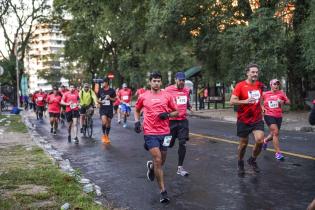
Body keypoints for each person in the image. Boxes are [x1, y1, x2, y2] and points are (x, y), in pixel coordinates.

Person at [134, 71, 178, 203]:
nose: (156, 83)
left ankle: (151, 168)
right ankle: (163, 192)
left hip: (165, 132)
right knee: (158, 159)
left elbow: (177, 112)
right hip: (150, 132)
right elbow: (136, 110)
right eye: (154, 81)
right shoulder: (143, 96)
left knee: (162, 161)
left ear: (161, 82)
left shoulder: (167, 96)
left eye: (159, 81)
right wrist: (137, 122)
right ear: (150, 82)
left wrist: (168, 115)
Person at [230, 63, 265, 176]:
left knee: (260, 140)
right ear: (247, 73)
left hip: (256, 118)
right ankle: (240, 162)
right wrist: (245, 101)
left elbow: (261, 99)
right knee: (243, 144)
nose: (255, 74)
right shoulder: (240, 86)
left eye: (256, 72)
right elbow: (232, 101)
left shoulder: (259, 85)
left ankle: (252, 160)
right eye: (253, 72)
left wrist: (262, 107)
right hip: (243, 119)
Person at [165, 72, 191, 176]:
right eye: (180, 80)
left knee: (183, 142)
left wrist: (188, 105)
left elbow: (186, 101)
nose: (182, 82)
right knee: (167, 144)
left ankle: (180, 168)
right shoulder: (168, 90)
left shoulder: (186, 90)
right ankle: (157, 163)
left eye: (183, 80)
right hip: (171, 122)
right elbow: (163, 102)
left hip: (183, 121)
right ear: (176, 79)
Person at [262, 79, 290, 160]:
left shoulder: (281, 93)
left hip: (278, 116)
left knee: (274, 134)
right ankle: (278, 153)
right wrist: (262, 107)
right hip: (268, 115)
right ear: (271, 85)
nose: (276, 85)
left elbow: (288, 102)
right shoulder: (265, 94)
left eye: (278, 84)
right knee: (276, 132)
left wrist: (282, 102)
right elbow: (260, 102)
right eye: (274, 84)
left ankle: (265, 140)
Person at [97, 78, 116, 144]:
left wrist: (110, 98)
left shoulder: (112, 90)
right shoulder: (100, 90)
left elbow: (115, 100)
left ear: (107, 83)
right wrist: (100, 102)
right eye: (102, 83)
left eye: (103, 83)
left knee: (108, 124)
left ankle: (107, 136)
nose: (102, 84)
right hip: (103, 108)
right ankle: (104, 135)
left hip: (110, 109)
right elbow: (97, 99)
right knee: (104, 122)